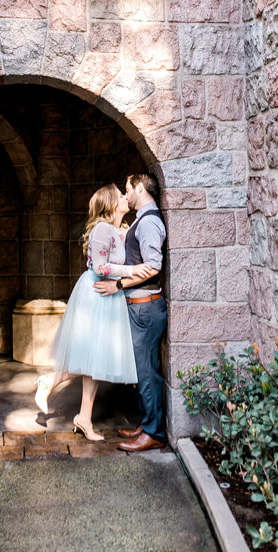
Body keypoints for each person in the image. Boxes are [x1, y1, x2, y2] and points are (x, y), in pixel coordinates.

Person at [34, 183, 152, 441]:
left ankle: (82, 416)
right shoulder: (101, 229)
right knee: (94, 357)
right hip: (97, 294)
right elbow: (99, 266)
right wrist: (132, 271)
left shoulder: (116, 229)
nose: (125, 196)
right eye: (121, 195)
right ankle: (53, 385)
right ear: (111, 204)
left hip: (109, 295)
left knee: (96, 359)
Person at [94, 173, 167, 452]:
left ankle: (154, 433)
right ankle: (147, 424)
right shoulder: (141, 221)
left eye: (128, 189)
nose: (126, 195)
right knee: (143, 371)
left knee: (148, 373)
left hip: (146, 308)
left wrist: (118, 285)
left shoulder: (148, 222)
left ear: (139, 188)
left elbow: (152, 267)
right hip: (141, 307)